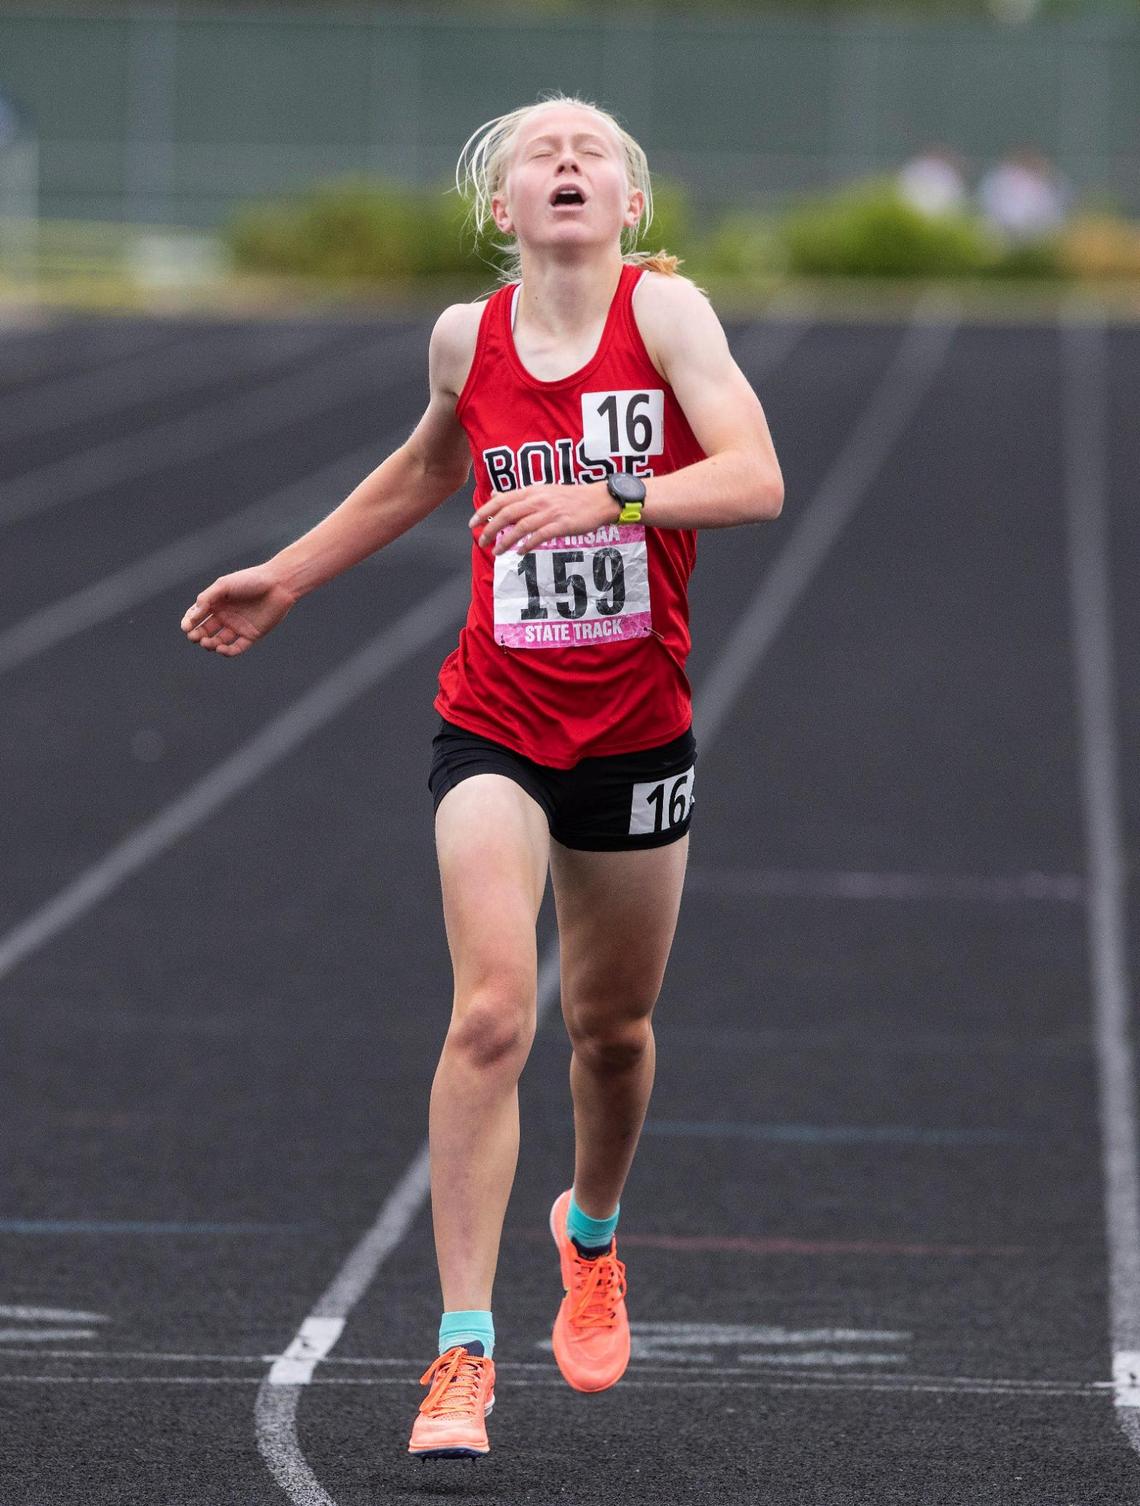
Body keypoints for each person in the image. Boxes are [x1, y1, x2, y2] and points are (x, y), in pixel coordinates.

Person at [180, 93, 784, 1460]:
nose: (565, 164)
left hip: (634, 731)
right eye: (539, 156)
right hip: (496, 720)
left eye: (594, 155)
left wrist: (611, 497)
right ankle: (461, 1348)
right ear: (503, 209)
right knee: (497, 1012)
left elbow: (754, 478)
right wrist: (288, 571)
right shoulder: (469, 337)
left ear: (630, 207)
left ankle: (593, 1232)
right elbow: (420, 471)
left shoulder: (666, 320)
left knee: (611, 1034)